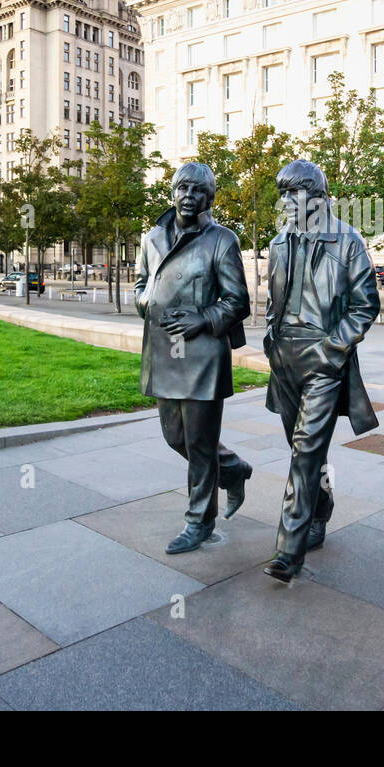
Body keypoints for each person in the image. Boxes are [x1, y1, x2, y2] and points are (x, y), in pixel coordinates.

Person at [262, 159, 380, 582]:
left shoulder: (347, 242)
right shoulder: (279, 243)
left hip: (324, 359)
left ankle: (287, 551)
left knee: (305, 451)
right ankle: (321, 508)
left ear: (319, 197)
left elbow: (367, 305)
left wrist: (333, 349)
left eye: (294, 193)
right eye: (283, 194)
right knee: (305, 449)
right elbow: (274, 302)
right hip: (285, 360)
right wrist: (271, 341)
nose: (287, 201)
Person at [135, 162, 253, 555]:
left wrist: (202, 317)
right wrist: (146, 300)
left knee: (200, 445)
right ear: (172, 192)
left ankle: (199, 521)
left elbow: (238, 302)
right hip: (165, 350)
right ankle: (233, 469)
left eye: (198, 191)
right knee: (175, 437)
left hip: (202, 353)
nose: (189, 196)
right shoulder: (152, 238)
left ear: (209, 198)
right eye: (183, 188)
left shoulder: (222, 240)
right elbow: (140, 283)